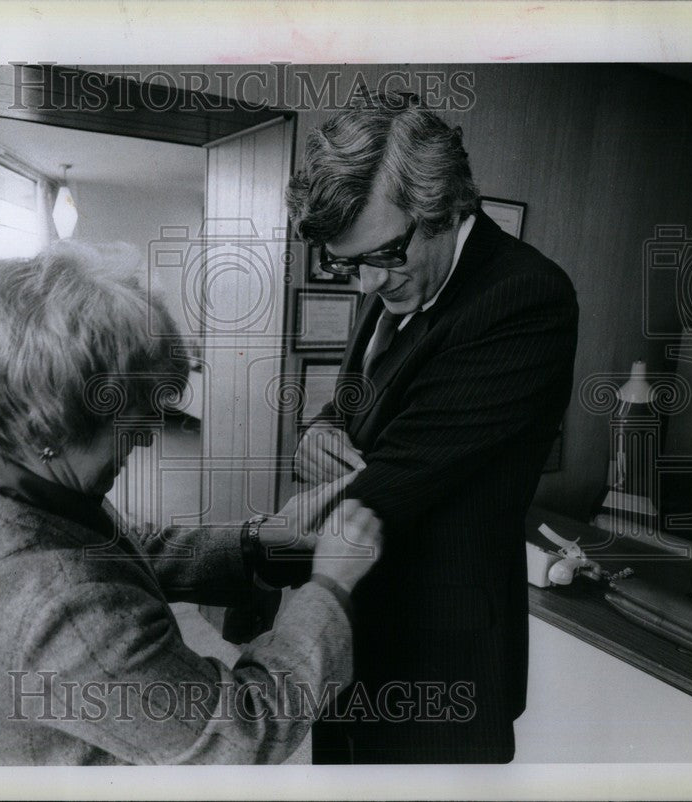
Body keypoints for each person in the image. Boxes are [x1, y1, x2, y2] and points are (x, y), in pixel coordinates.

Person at [0, 240, 384, 765]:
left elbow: (118, 549)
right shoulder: (58, 606)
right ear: (52, 418)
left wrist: (257, 543)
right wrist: (329, 588)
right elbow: (239, 735)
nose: (147, 437)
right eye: (135, 416)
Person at [285, 94, 579, 763]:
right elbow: (358, 402)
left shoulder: (525, 299)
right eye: (347, 263)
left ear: (443, 206)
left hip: (439, 668)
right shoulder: (396, 277)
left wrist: (241, 554)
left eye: (381, 254)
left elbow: (394, 482)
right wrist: (319, 428)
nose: (364, 284)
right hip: (355, 645)